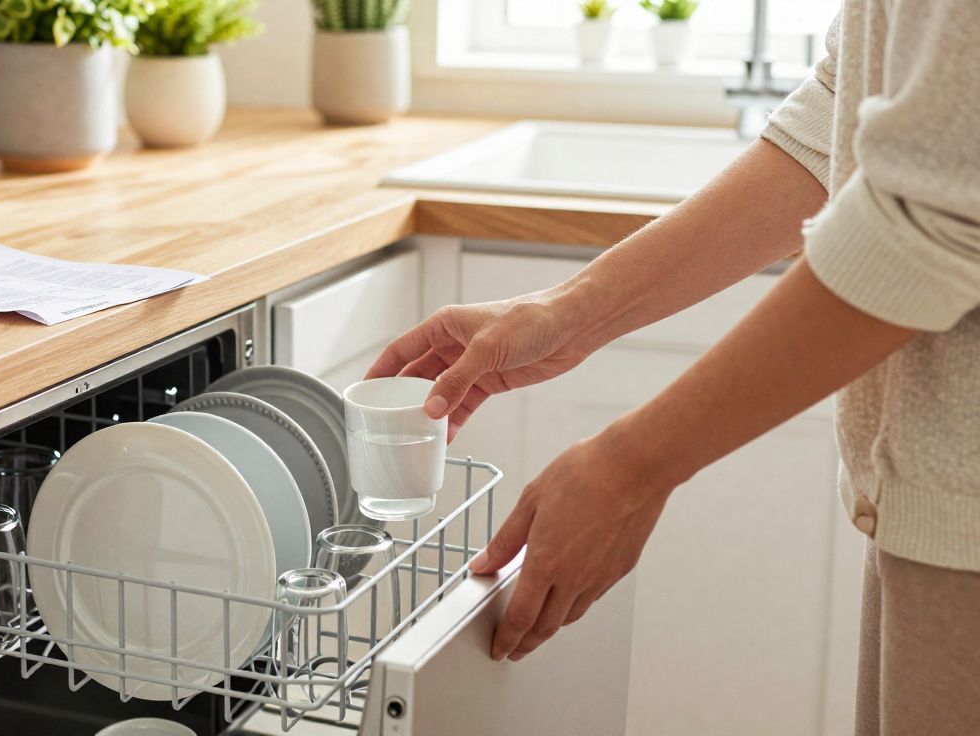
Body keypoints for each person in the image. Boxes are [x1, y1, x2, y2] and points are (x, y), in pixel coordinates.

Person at [366, 3, 980, 733]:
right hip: (927, 505)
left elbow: (932, 222)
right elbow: (846, 107)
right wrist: (565, 312)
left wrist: (632, 466)